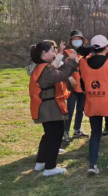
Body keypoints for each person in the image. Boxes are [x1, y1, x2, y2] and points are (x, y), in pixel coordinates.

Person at [29, 41, 78, 177]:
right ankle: (50, 167)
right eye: (52, 50)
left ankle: (41, 162)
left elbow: (59, 72)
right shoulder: (45, 69)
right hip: (50, 107)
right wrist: (72, 62)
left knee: (49, 135)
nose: (54, 53)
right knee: (55, 135)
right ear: (44, 53)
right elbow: (62, 75)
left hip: (46, 106)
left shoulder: (41, 67)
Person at [79, 35, 108, 175]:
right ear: (106, 47)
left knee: (95, 133)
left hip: (92, 103)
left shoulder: (83, 63)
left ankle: (93, 165)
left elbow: (83, 85)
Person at [63, 30, 89, 143]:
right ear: (71, 41)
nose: (77, 41)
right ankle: (65, 132)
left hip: (83, 86)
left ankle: (77, 129)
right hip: (71, 86)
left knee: (80, 109)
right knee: (69, 110)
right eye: (75, 39)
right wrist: (69, 77)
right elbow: (61, 68)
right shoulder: (66, 52)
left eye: (79, 39)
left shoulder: (86, 53)